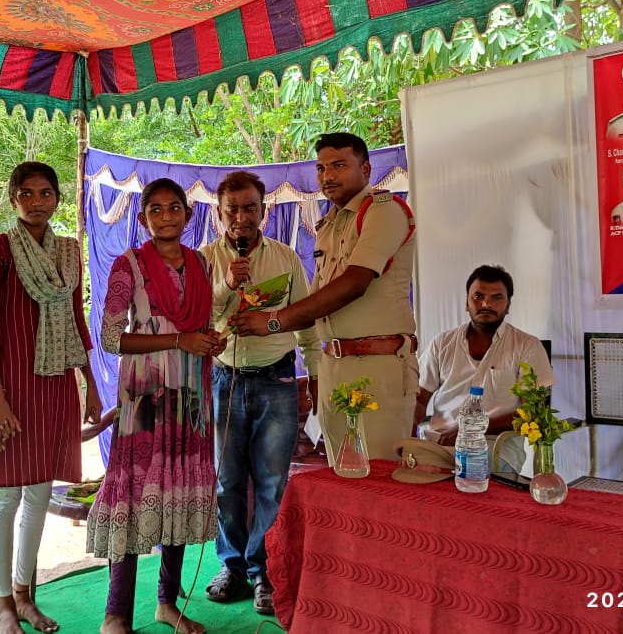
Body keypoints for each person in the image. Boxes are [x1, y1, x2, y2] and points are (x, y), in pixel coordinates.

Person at [86, 178, 225, 634]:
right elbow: (111, 339)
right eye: (156, 210)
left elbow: (202, 322)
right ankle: (115, 614)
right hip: (145, 398)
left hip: (190, 396)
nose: (166, 217)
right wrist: (179, 340)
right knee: (133, 495)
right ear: (143, 218)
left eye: (174, 208)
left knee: (178, 493)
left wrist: (209, 340)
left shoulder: (200, 264)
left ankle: (167, 603)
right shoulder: (128, 264)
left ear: (188, 214)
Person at [231, 132, 418, 463]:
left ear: (365, 169)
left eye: (339, 165)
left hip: (378, 364)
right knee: (340, 472)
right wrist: (315, 368)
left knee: (376, 474)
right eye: (321, 168)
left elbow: (354, 283)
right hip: (334, 364)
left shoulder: (383, 211)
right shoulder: (329, 224)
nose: (327, 176)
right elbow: (317, 298)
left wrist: (274, 321)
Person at [0, 162, 103, 634]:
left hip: (55, 384)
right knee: (6, 495)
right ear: (13, 199)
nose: (36, 202)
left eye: (45, 193)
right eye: (26, 194)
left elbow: (76, 320)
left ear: (56, 198)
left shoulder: (69, 252)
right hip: (10, 384)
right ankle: (3, 604)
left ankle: (26, 595)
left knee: (40, 492)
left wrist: (90, 385)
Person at [197, 171, 319, 615]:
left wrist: (316, 373)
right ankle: (231, 565)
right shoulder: (203, 260)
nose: (241, 218)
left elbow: (305, 318)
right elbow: (197, 320)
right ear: (219, 213)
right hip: (224, 380)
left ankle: (264, 570)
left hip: (277, 380)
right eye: (232, 209)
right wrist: (227, 285)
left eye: (250, 208)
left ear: (263, 211)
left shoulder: (286, 258)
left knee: (272, 482)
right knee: (227, 479)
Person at [413, 265, 554, 473]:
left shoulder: (527, 347)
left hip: (494, 450)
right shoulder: (442, 343)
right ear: (466, 302)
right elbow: (418, 399)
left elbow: (533, 413)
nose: (486, 304)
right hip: (438, 445)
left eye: (497, 298)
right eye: (478, 296)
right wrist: (408, 439)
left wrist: (471, 428)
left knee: (458, 475)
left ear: (508, 305)